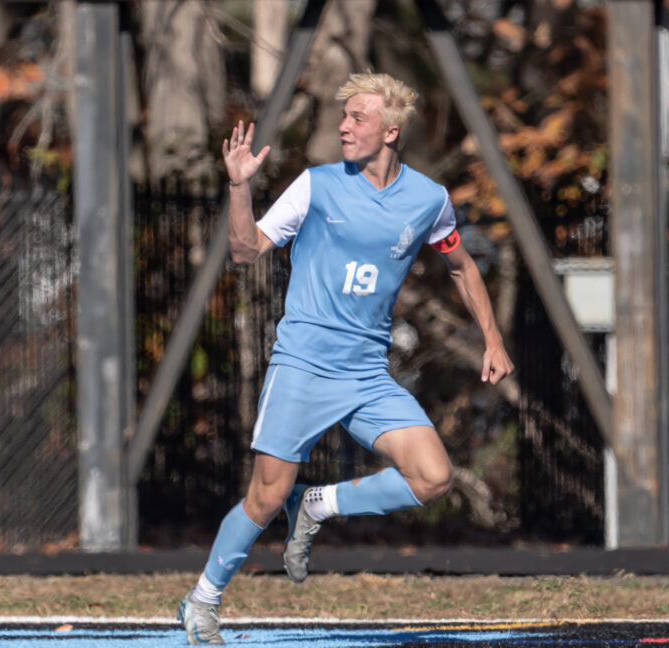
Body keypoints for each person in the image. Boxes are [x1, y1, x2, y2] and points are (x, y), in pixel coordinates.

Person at [177, 72, 514, 645]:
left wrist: (494, 338)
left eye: (358, 116)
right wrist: (238, 187)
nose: (344, 125)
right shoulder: (316, 185)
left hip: (365, 374)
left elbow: (461, 266)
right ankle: (202, 600)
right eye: (344, 116)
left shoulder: (429, 200)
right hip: (303, 366)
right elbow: (244, 250)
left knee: (433, 477)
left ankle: (320, 504)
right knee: (263, 497)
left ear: (391, 129)